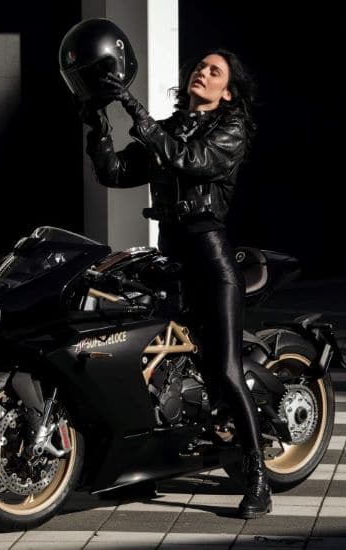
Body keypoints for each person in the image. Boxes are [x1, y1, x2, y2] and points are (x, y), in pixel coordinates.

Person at [78, 49, 271, 519]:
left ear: (228, 92)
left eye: (214, 71)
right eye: (200, 67)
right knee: (147, 358)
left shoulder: (231, 130)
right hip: (172, 259)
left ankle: (257, 476)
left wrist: (132, 107)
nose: (202, 73)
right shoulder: (168, 128)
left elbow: (189, 161)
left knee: (224, 370)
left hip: (211, 262)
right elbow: (115, 172)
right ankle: (145, 462)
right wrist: (97, 123)